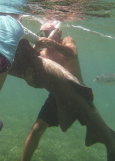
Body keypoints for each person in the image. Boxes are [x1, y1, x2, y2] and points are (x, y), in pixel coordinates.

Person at [21, 22, 83, 161]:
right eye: (43, 33)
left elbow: (72, 53)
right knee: (37, 129)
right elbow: (40, 83)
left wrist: (54, 44)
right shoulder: (41, 53)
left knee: (98, 128)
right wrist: (30, 82)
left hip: (79, 91)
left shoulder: (67, 40)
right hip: (56, 95)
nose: (45, 36)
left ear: (58, 33)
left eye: (49, 33)